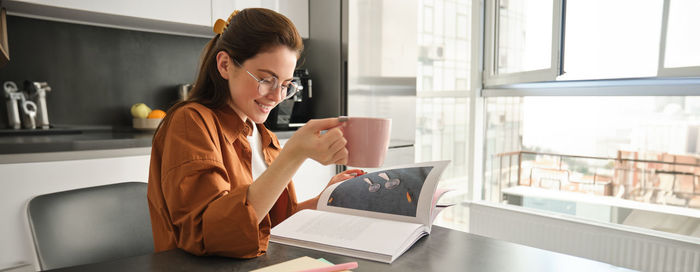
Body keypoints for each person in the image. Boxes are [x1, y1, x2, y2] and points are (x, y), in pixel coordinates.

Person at [146, 8, 363, 258]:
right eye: (266, 79)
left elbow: (269, 224)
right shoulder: (191, 122)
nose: (277, 96)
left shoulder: (263, 135)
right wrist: (294, 154)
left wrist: (324, 200)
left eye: (285, 85)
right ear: (225, 65)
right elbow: (210, 236)